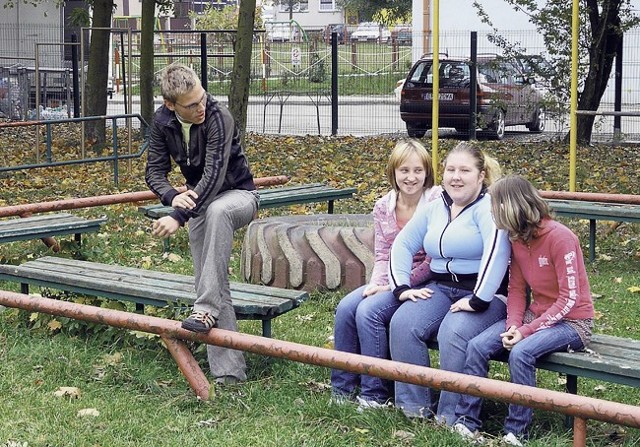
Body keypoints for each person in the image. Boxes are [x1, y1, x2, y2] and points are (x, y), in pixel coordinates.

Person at [452, 175, 595, 446]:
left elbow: (569, 298)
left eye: (495, 205)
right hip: (536, 316)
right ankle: (466, 422)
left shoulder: (561, 237)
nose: (492, 211)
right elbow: (516, 290)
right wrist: (512, 326)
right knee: (477, 346)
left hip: (573, 322)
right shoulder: (516, 239)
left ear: (511, 206)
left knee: (521, 352)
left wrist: (526, 331)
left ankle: (516, 432)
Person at [145, 63, 259, 384]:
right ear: (171, 105)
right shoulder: (162, 122)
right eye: (192, 104)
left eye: (202, 98)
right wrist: (171, 197)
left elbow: (214, 174)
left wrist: (179, 216)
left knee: (220, 211)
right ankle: (229, 374)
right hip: (199, 202)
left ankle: (204, 308)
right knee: (211, 279)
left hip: (239, 196)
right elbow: (153, 171)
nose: (201, 107)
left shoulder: (218, 117)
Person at [388, 141, 511, 423]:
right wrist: (402, 287)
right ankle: (413, 409)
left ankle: (451, 417)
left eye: (465, 170)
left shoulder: (490, 208)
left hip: (487, 295)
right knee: (404, 323)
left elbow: (497, 252)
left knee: (453, 333)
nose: (456, 176)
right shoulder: (435, 206)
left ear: (481, 176)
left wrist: (478, 299)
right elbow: (402, 244)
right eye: (451, 169)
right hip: (442, 287)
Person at [330, 139, 442, 409]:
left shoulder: (438, 201)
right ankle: (342, 388)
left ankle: (375, 393)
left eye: (418, 170)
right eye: (404, 170)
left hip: (426, 279)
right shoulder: (383, 206)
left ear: (427, 172)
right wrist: (379, 283)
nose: (411, 177)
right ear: (393, 172)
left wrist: (395, 285)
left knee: (369, 311)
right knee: (347, 308)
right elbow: (383, 254)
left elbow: (433, 258)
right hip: (393, 277)